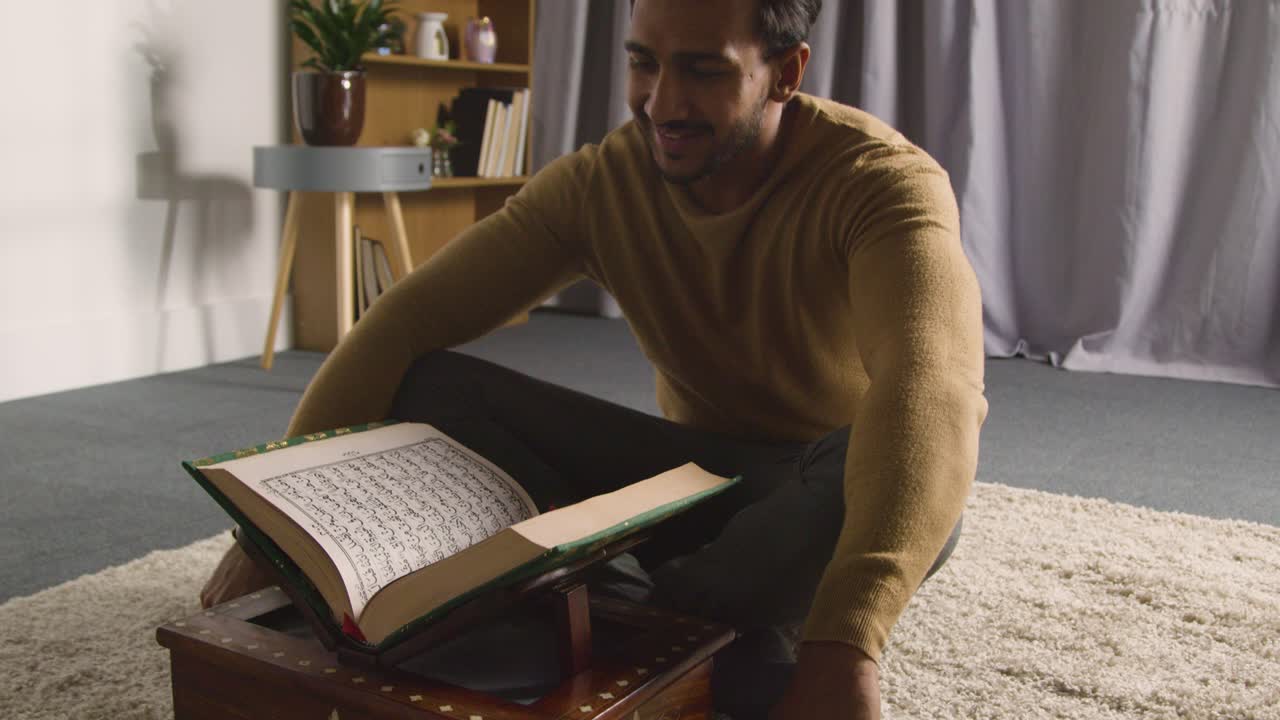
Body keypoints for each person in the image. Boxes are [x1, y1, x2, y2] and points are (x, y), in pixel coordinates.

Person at [200, 0, 988, 717]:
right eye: (644, 63)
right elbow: (404, 321)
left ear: (786, 73)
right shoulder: (601, 183)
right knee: (425, 385)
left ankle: (601, 607)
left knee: (916, 477)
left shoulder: (882, 184)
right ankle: (683, 626)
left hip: (812, 488)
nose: (662, 103)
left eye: (703, 71)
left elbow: (933, 387)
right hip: (679, 489)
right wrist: (262, 542)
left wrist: (844, 647)